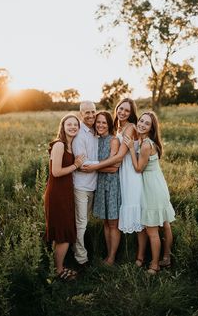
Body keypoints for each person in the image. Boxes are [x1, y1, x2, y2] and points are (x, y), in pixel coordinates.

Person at [82, 98, 146, 266]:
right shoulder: (116, 129)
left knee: (136, 213)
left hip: (129, 172)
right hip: (119, 173)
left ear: (131, 113)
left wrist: (94, 167)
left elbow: (118, 157)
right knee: (110, 219)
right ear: (116, 109)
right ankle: (114, 255)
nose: (122, 112)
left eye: (127, 110)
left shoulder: (130, 128)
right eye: (120, 109)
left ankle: (139, 257)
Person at [124, 111, 175, 275]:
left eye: (146, 123)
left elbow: (138, 168)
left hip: (152, 189)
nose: (142, 124)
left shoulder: (146, 144)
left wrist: (132, 149)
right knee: (165, 224)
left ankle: (155, 265)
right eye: (141, 121)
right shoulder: (148, 141)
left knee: (152, 230)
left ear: (152, 127)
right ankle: (166, 258)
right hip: (158, 185)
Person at [44, 114, 85, 280]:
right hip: (57, 194)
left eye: (76, 124)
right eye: (69, 124)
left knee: (61, 231)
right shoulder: (59, 145)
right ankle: (59, 271)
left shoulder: (70, 145)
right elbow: (56, 172)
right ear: (63, 126)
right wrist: (76, 165)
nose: (73, 127)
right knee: (65, 233)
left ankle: (56, 267)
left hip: (65, 193)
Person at [92, 111, 121, 265]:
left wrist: (92, 168)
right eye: (98, 122)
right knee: (105, 222)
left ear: (109, 124)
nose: (100, 125)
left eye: (104, 122)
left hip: (111, 185)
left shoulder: (113, 141)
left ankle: (111, 257)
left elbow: (113, 168)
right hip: (100, 184)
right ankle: (109, 254)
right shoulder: (96, 140)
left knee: (113, 223)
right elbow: (106, 165)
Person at [72, 101, 98, 268]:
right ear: (81, 114)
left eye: (93, 112)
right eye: (87, 112)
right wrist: (107, 164)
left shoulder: (95, 131)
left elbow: (91, 164)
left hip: (92, 185)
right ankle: (81, 259)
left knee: (85, 222)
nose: (90, 115)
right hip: (81, 186)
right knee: (81, 223)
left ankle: (81, 251)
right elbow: (83, 165)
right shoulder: (79, 134)